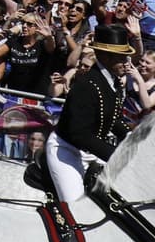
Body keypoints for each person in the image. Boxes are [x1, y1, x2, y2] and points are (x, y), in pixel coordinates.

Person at [46, 25, 134, 203]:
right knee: (76, 204)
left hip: (92, 152)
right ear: (104, 56)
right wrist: (116, 154)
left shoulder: (113, 82)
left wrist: (132, 138)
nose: (126, 61)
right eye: (120, 56)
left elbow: (113, 118)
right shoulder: (86, 85)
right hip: (66, 151)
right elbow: (79, 133)